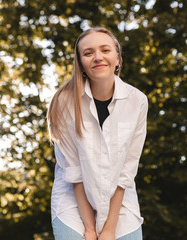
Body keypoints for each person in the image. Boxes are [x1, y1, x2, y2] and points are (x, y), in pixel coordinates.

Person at [47, 27, 148, 240]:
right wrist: (90, 229)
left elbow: (127, 171)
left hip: (118, 202)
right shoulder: (65, 101)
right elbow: (73, 171)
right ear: (80, 63)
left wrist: (109, 229)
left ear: (118, 58)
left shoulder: (137, 101)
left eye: (105, 50)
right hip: (74, 200)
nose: (98, 57)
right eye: (88, 53)